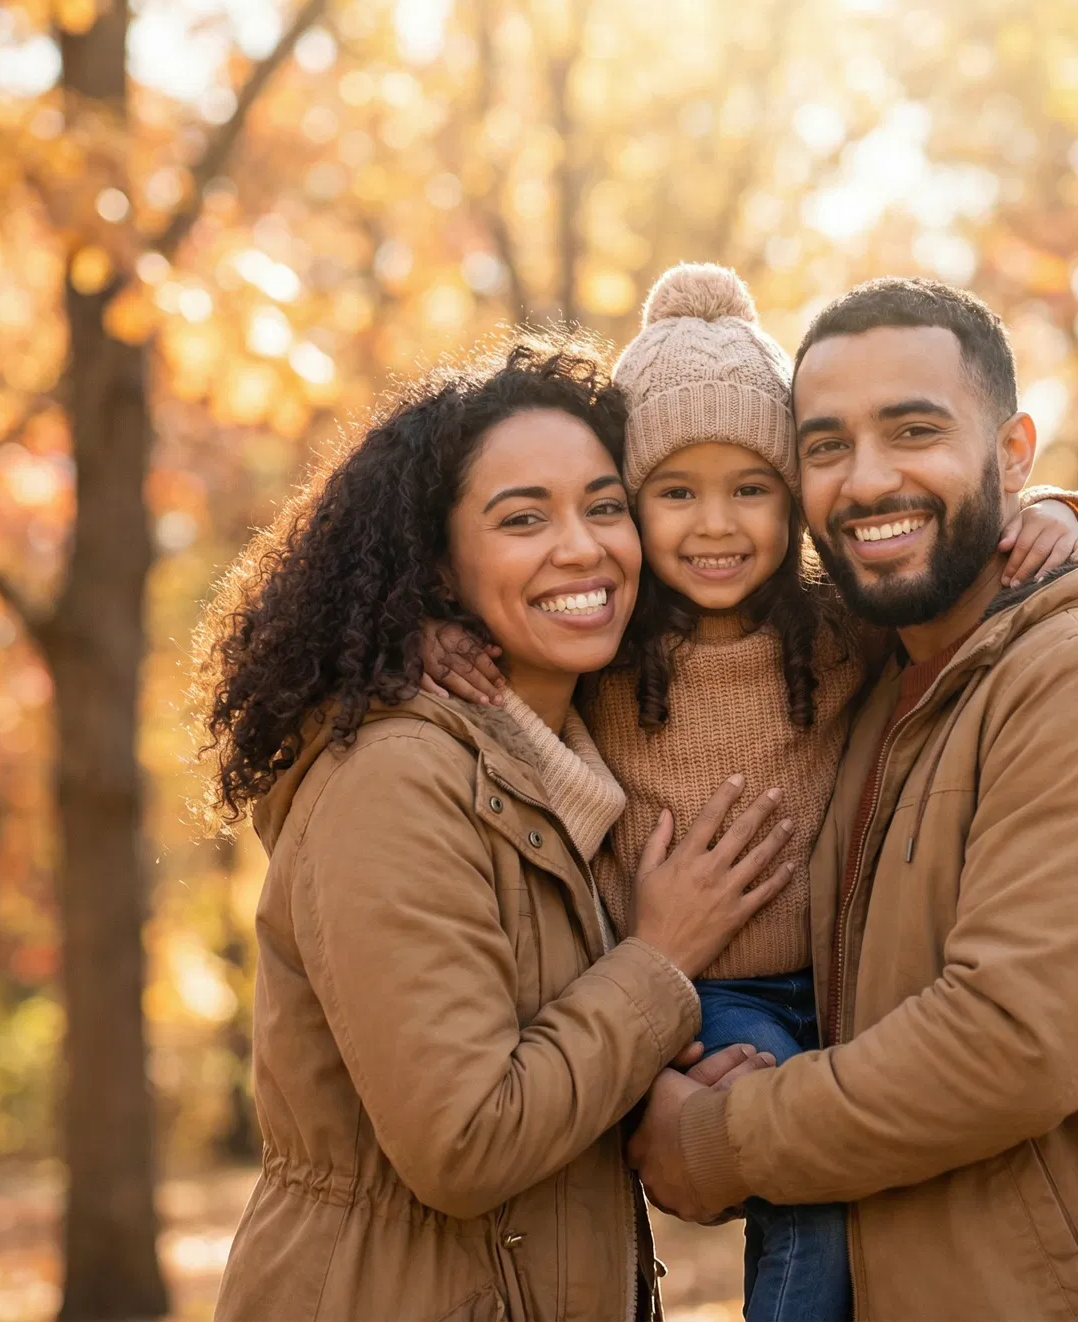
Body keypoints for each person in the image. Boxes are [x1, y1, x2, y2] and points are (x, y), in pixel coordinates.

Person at [422, 265, 1078, 1322]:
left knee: (876, 1176)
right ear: (631, 503)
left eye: (752, 489)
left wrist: (1054, 509)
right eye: (674, 493)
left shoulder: (840, 628)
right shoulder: (606, 648)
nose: (716, 526)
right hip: (714, 993)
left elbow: (940, 552)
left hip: (849, 973)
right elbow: (532, 742)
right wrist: (433, 629)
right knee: (805, 1188)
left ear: (794, 497)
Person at [626, 278, 1078, 1321]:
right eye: (826, 446)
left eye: (914, 430)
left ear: (1014, 453)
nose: (867, 480)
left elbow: (1012, 1044)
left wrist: (716, 1141)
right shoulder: (877, 683)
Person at [198, 339, 795, 1322]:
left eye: (606, 507)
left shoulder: (576, 774)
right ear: (439, 561)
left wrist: (673, 1086)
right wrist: (660, 960)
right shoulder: (398, 776)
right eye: (524, 519)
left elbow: (543, 1058)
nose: (583, 547)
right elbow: (464, 1142)